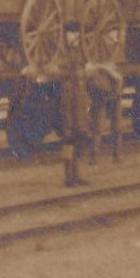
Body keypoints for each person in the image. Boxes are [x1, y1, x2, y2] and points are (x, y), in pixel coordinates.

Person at [60, 55, 94, 187]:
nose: (80, 72)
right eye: (78, 70)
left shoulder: (81, 86)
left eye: (81, 70)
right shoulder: (69, 87)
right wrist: (67, 127)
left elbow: (85, 106)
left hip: (81, 124)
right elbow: (66, 109)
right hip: (72, 125)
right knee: (69, 153)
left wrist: (87, 122)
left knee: (78, 152)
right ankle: (69, 179)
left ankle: (77, 176)